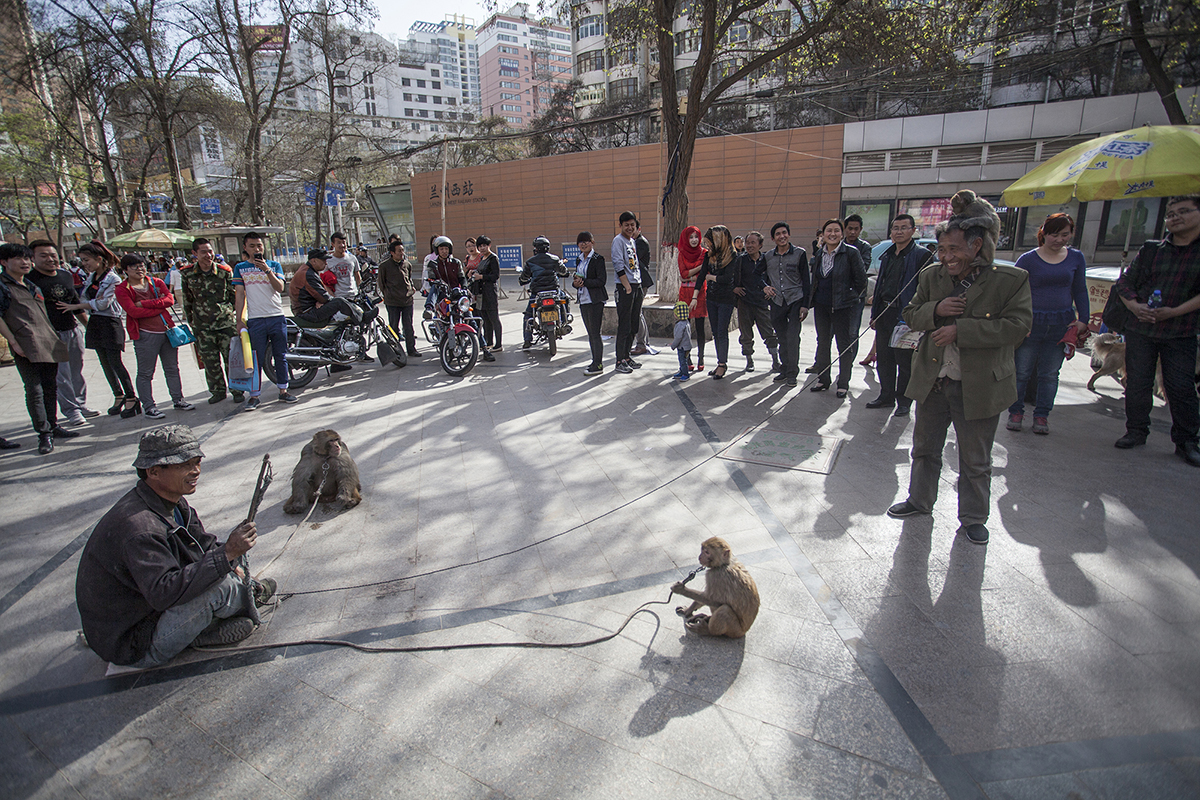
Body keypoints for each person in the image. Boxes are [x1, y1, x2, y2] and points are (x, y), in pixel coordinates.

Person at [887, 190, 1032, 546]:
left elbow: (1018, 327)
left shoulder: (1010, 280)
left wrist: (962, 330)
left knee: (975, 458)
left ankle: (973, 518)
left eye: (954, 250)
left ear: (977, 244)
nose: (947, 257)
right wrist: (937, 311)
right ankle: (919, 501)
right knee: (924, 448)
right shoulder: (931, 276)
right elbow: (910, 314)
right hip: (934, 380)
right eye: (942, 250)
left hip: (979, 385)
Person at [75, 425, 274, 667]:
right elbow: (163, 593)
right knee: (219, 585)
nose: (196, 470)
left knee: (231, 560)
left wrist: (229, 558)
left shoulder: (172, 502)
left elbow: (203, 543)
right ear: (154, 472)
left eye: (197, 461)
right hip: (136, 642)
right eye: (185, 465)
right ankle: (244, 601)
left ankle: (214, 619)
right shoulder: (139, 529)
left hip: (150, 611)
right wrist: (227, 555)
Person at [1113, 195, 1200, 467]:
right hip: (1141, 327)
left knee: (1181, 387)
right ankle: (1136, 430)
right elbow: (1125, 281)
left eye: (1183, 212)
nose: (1175, 217)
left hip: (1181, 330)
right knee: (1138, 383)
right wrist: (1135, 306)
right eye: (1170, 213)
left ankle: (1186, 440)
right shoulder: (1152, 249)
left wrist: (1175, 311)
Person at [1005, 213, 1090, 435]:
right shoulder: (1028, 259)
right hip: (1030, 323)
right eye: (1054, 234)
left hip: (1061, 323)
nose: (1059, 239)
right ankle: (1016, 411)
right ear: (1043, 233)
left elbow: (1080, 289)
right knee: (1021, 371)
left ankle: (1042, 416)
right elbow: (1013, 292)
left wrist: (1083, 319)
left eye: (1065, 234)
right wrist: (1017, 320)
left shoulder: (1076, 258)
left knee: (1050, 374)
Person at [0, 242, 77, 454]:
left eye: (27, 258)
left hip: (48, 342)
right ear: (4, 262)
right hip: (25, 344)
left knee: (50, 386)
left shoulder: (32, 285)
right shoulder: (3, 286)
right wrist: (13, 341)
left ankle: (53, 425)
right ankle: (44, 434)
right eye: (19, 259)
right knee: (34, 390)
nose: (25, 262)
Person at [57, 241, 135, 417]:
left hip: (110, 323)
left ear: (99, 259)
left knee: (115, 362)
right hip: (95, 323)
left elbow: (103, 303)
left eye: (87, 260)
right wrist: (91, 304)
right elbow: (87, 298)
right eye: (82, 260)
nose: (84, 264)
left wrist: (83, 305)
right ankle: (118, 395)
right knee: (104, 363)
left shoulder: (112, 278)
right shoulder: (91, 278)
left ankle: (131, 396)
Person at [867, 214, 935, 416]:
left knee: (904, 360)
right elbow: (880, 286)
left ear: (913, 230)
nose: (899, 232)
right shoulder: (887, 255)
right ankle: (885, 396)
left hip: (906, 314)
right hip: (885, 312)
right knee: (885, 358)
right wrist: (875, 313)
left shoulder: (922, 255)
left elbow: (927, 288)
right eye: (895, 228)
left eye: (904, 228)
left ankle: (904, 401)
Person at [115, 255, 195, 421]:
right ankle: (149, 406)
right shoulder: (123, 289)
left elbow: (170, 300)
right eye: (134, 266)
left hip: (167, 332)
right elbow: (133, 312)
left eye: (141, 265)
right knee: (145, 373)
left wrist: (145, 304)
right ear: (125, 270)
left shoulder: (156, 283)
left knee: (172, 368)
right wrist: (158, 306)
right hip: (145, 335)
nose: (139, 269)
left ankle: (178, 399)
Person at [28, 239, 97, 426]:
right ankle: (71, 410)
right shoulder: (29, 280)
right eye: (43, 256)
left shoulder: (65, 275)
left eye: (52, 255)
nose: (50, 259)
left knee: (77, 370)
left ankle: (80, 403)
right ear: (33, 258)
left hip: (72, 329)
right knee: (61, 375)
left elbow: (75, 303)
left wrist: (88, 326)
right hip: (49, 334)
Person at [233, 231, 296, 410]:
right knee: (255, 358)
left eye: (259, 246)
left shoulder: (274, 265)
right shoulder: (240, 268)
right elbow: (239, 295)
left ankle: (283, 390)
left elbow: (280, 287)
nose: (256, 249)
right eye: (252, 246)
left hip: (276, 316)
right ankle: (254, 395)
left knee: (281, 356)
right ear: (245, 248)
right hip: (255, 319)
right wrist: (239, 320)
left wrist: (266, 270)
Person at [809, 218, 868, 398]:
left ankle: (843, 383)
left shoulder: (851, 253)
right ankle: (823, 379)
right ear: (823, 234)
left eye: (836, 231)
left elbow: (861, 281)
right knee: (823, 342)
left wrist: (849, 298)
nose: (832, 234)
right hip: (822, 305)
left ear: (841, 234)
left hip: (843, 307)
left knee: (844, 345)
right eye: (829, 231)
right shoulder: (819, 254)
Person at [182, 237, 242, 405]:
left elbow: (234, 297)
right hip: (203, 326)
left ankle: (237, 389)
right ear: (195, 254)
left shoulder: (224, 272)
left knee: (231, 359)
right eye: (203, 252)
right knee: (210, 361)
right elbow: (188, 301)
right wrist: (192, 323)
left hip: (225, 324)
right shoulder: (187, 274)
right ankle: (217, 391)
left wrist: (232, 316)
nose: (208, 255)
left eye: (210, 251)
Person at [763, 222, 811, 388]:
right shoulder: (768, 256)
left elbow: (806, 280)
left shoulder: (799, 254)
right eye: (778, 234)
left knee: (792, 337)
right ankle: (784, 369)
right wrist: (765, 286)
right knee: (781, 337)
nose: (781, 236)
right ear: (773, 238)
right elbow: (757, 275)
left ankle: (792, 373)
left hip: (795, 301)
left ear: (789, 235)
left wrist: (805, 305)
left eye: (784, 233)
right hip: (777, 302)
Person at [696, 225, 739, 380]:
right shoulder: (710, 255)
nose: (707, 246)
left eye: (710, 242)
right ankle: (720, 362)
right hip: (711, 298)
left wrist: (711, 278)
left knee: (722, 332)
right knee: (715, 332)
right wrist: (694, 296)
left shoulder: (732, 256)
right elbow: (701, 275)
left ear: (719, 240)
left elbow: (728, 278)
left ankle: (722, 364)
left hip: (726, 299)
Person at [733, 231, 778, 373]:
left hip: (762, 302)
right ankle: (749, 360)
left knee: (769, 333)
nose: (749, 246)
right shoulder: (740, 260)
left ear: (760, 245)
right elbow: (733, 278)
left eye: (753, 243)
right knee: (746, 334)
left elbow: (773, 278)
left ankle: (775, 360)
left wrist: (771, 292)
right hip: (745, 302)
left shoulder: (766, 259)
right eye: (748, 243)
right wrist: (735, 288)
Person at [519, 235, 568, 352]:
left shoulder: (530, 262)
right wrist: (564, 273)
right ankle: (565, 321)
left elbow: (524, 277)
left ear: (535, 248)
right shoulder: (555, 259)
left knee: (528, 315)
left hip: (537, 293)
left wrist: (522, 280)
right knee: (564, 300)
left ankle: (527, 339)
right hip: (553, 290)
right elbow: (564, 271)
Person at [377, 239, 421, 357]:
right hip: (392, 302)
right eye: (399, 251)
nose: (402, 253)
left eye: (402, 250)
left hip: (407, 300)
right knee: (393, 327)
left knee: (408, 326)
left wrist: (411, 289)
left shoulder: (407, 264)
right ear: (392, 252)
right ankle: (396, 351)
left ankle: (411, 349)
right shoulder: (384, 266)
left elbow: (409, 278)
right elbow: (381, 284)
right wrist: (388, 295)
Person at [612, 211, 643, 374]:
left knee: (633, 324)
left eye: (632, 224)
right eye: (626, 225)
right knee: (624, 324)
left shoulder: (632, 241)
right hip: (626, 287)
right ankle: (619, 360)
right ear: (621, 225)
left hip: (636, 284)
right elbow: (618, 264)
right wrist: (627, 286)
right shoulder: (618, 241)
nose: (630, 228)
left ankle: (627, 356)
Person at [572, 231, 607, 375]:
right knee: (590, 333)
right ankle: (595, 361)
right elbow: (578, 278)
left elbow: (601, 280)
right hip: (583, 300)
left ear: (592, 243)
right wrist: (576, 283)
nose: (583, 244)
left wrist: (584, 282)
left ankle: (598, 364)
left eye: (586, 241)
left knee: (595, 333)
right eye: (581, 242)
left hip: (595, 300)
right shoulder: (579, 259)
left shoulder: (598, 259)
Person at [676, 225, 708, 372]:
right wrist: (700, 269)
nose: (694, 240)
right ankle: (687, 358)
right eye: (691, 237)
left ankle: (701, 357)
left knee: (700, 328)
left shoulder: (704, 253)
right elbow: (683, 274)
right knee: (685, 328)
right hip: (685, 295)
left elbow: (699, 275)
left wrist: (690, 275)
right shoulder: (681, 253)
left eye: (696, 237)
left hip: (700, 292)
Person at [471, 235, 502, 353]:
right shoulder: (482, 258)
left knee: (494, 318)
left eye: (484, 245)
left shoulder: (493, 258)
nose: (482, 248)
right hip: (481, 293)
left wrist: (481, 277)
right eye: (480, 246)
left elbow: (495, 276)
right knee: (485, 318)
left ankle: (498, 344)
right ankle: (489, 342)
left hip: (490, 292)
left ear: (489, 245)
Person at [424, 236, 465, 319]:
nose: (444, 251)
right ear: (437, 250)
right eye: (441, 249)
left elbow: (462, 278)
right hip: (441, 294)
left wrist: (464, 288)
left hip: (456, 293)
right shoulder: (432, 264)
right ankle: (429, 308)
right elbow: (432, 280)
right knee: (435, 286)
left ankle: (476, 331)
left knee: (469, 316)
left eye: (446, 249)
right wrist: (439, 283)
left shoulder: (456, 262)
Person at [632, 222, 657, 356]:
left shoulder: (640, 243)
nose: (630, 230)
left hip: (641, 281)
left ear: (639, 229)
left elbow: (633, 261)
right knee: (638, 312)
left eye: (633, 228)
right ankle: (643, 342)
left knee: (637, 313)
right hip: (638, 281)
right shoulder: (633, 242)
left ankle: (641, 344)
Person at [325, 232, 360, 298]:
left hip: (353, 296)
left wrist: (357, 290)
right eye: (339, 243)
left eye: (344, 242)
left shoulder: (352, 258)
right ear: (333, 244)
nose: (342, 245)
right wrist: (332, 295)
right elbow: (324, 282)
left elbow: (357, 276)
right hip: (338, 298)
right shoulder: (328, 261)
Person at [670, 300, 693, 381]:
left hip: (682, 347)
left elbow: (678, 337)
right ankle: (682, 371)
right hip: (687, 346)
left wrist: (673, 345)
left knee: (683, 360)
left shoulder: (680, 325)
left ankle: (685, 374)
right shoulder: (686, 322)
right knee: (683, 360)